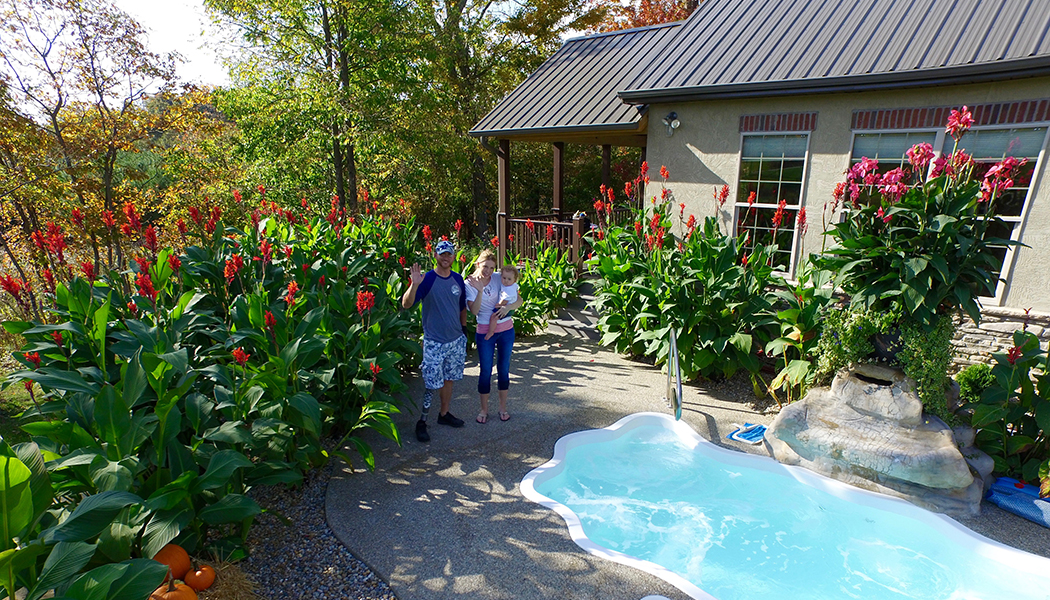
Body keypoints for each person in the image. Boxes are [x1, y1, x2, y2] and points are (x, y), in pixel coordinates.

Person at [400, 239, 468, 443]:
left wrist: (463, 330)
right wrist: (414, 285)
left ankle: (444, 414)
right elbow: (406, 304)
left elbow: (462, 306)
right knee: (431, 382)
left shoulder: (457, 279)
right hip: (434, 342)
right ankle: (422, 421)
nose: (446, 257)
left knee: (449, 379)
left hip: (455, 340)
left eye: (449, 254)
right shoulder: (427, 279)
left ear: (453, 257)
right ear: (435, 256)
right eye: (442, 253)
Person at [465, 250, 523, 424]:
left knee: (504, 370)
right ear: (478, 264)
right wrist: (480, 291)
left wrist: (509, 307)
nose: (488, 271)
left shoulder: (500, 277)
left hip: (506, 330)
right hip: (485, 332)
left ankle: (503, 408)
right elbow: (474, 311)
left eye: (491, 267)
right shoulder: (468, 284)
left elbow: (519, 300)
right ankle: (483, 409)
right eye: (485, 267)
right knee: (485, 371)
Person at [484, 265, 519, 340]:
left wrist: (500, 304)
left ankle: (491, 331)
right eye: (504, 278)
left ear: (514, 280)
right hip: (508, 308)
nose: (506, 280)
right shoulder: (512, 285)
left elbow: (505, 299)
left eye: (509, 279)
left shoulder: (509, 289)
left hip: (505, 308)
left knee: (493, 317)